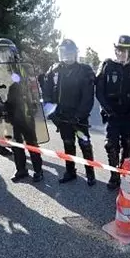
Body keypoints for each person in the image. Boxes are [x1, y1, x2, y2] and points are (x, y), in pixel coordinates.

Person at [41, 39, 96, 186]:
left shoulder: (84, 70)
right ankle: (70, 171)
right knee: (68, 144)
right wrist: (53, 115)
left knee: (85, 144)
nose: (67, 56)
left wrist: (78, 116)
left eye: (70, 53)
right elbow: (46, 93)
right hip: (62, 117)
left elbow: (88, 96)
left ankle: (90, 173)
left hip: (79, 118)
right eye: (64, 53)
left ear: (75, 54)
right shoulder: (54, 70)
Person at [95, 35, 130, 190]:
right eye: (119, 50)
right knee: (110, 145)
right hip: (112, 114)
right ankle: (114, 175)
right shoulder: (107, 65)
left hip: (128, 115)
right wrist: (107, 109)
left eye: (125, 51)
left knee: (128, 144)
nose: (121, 54)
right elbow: (99, 91)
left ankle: (124, 171)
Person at [0, 38, 44, 183]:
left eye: (5, 53)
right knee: (15, 143)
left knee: (31, 142)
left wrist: (34, 103)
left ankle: (38, 170)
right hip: (9, 112)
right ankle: (21, 170)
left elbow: (32, 86)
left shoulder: (21, 67)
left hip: (25, 110)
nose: (2, 56)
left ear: (12, 53)